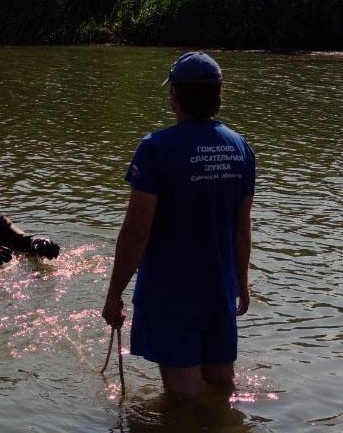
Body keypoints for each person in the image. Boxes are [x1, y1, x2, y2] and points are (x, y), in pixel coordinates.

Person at [102, 51, 256, 401]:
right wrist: (242, 285)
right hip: (219, 291)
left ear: (174, 96)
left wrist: (114, 294)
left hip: (172, 297)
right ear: (219, 95)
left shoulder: (155, 149)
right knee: (221, 391)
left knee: (183, 405)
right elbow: (241, 230)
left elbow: (136, 232)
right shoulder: (241, 149)